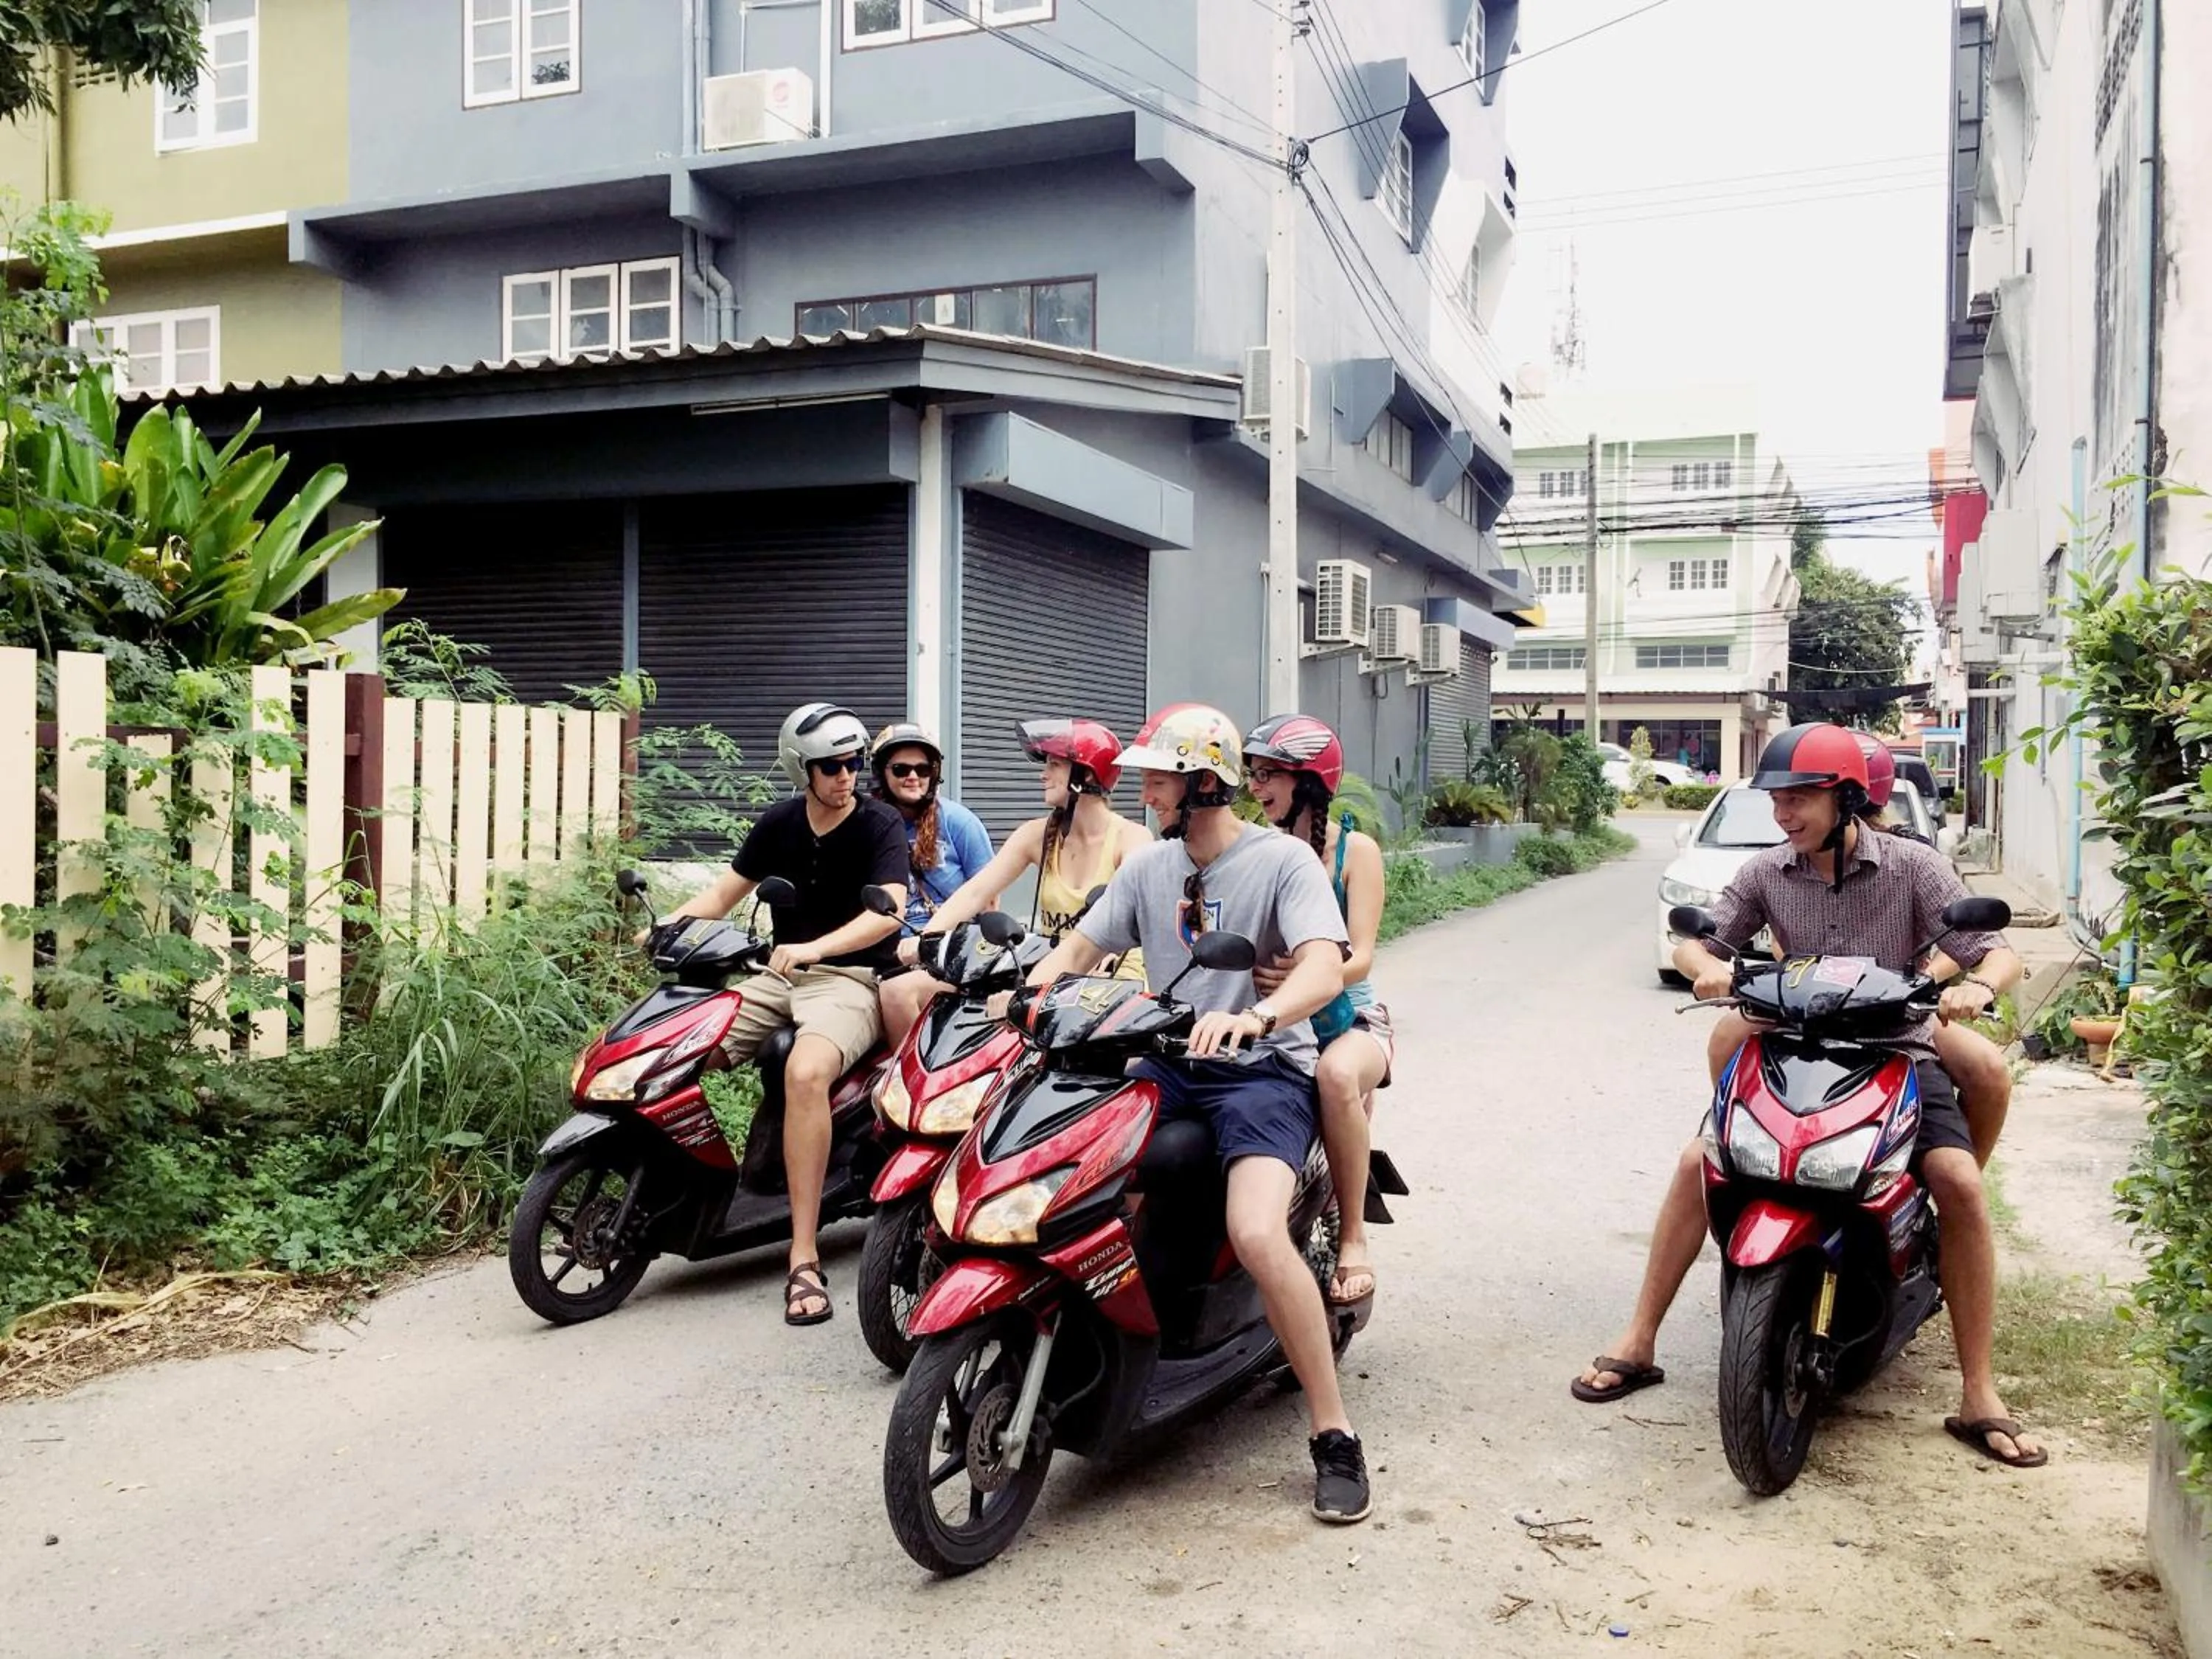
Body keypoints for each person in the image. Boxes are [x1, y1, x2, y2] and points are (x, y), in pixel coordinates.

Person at [1572, 724, 2043, 1470]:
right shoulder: (1766, 873)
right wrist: (1707, 967)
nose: (1784, 814)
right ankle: (1639, 1338)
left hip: (1897, 1052)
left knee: (1956, 1180)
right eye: (1777, 800)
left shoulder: (1914, 870)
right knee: (1702, 1158)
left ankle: (1980, 1390)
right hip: (1792, 1049)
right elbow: (1702, 940)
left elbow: (1995, 951)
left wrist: (1980, 988)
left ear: (1847, 798)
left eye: (1799, 799)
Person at [1023, 703, 1374, 1525]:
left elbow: (1326, 967)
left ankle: (1333, 1432)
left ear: (1203, 783)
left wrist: (1259, 1016)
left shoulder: (1282, 861)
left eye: (1160, 773)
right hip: (1167, 1065)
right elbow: (1081, 949)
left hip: (1260, 1073)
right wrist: (1026, 992)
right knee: (1068, 1175)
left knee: (1256, 1232)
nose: (1142, 786)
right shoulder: (1150, 867)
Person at [661, 702, 907, 1329]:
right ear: (804, 770)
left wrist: (817, 947)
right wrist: (668, 926)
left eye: (853, 763)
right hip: (776, 976)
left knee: (804, 1074)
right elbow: (721, 895)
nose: (846, 775)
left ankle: (802, 1255)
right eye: (831, 766)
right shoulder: (778, 824)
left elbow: (889, 913)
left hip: (849, 979)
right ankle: (673, 1198)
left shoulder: (879, 825)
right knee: (680, 1048)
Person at [1242, 714, 1392, 1309]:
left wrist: (1310, 976)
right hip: (1275, 1019)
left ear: (1309, 781)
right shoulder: (1256, 849)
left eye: (1269, 775)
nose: (1256, 789)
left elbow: (1361, 956)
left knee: (1334, 1076)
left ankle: (1354, 1237)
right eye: (1252, 775)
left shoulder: (1357, 851)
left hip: (1349, 1022)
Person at [879, 717, 1150, 1047]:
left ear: (1086, 776)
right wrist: (925, 940)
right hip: (1049, 972)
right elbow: (977, 891)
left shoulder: (1131, 839)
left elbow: (1123, 913)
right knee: (899, 992)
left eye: (1054, 765)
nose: (1043, 774)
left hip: (1111, 982)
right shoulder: (1037, 835)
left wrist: (1105, 956)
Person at [868, 721, 995, 931]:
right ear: (882, 773)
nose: (913, 777)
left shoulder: (959, 822)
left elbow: (988, 900)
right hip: (884, 950)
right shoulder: (868, 825)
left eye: (923, 769)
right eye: (901, 770)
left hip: (946, 948)